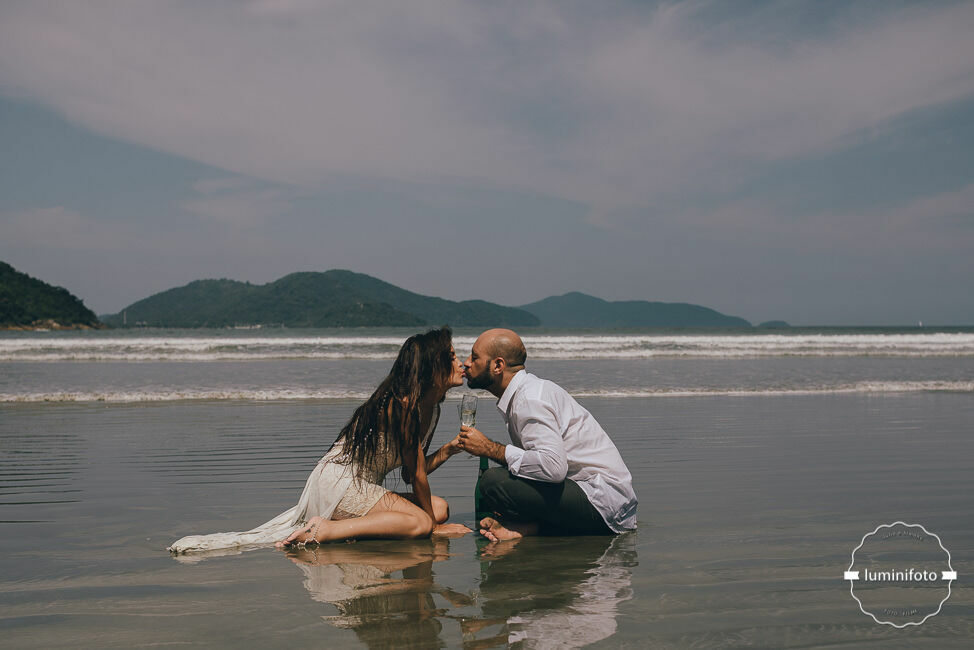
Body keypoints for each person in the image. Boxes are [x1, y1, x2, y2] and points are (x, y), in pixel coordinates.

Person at [167, 327, 471, 554]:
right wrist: (433, 530)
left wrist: (449, 450)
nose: (462, 363)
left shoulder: (429, 409)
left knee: (439, 508)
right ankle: (328, 530)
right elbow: (416, 476)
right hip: (340, 482)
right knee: (422, 523)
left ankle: (352, 529)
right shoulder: (403, 405)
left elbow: (409, 473)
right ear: (434, 366)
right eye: (454, 357)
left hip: (359, 485)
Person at [458, 329, 637, 540]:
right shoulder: (526, 392)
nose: (466, 363)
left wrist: (491, 449)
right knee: (509, 474)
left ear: (498, 366)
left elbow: (553, 468)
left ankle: (530, 528)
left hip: (603, 502)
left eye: (474, 356)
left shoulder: (530, 399)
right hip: (593, 494)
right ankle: (525, 527)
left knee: (493, 482)